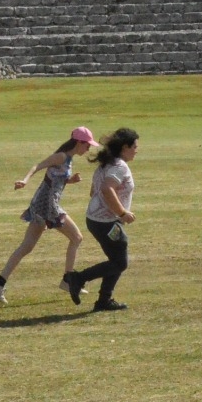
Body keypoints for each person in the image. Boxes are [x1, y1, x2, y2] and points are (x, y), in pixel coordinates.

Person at [0, 126, 98, 305]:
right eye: (87, 145)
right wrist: (25, 180)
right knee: (77, 238)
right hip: (48, 206)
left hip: (42, 204)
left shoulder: (68, 159)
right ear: (79, 142)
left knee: (27, 246)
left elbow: (55, 179)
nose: (89, 149)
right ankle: (67, 281)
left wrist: (70, 180)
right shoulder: (61, 156)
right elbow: (38, 166)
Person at [66, 127, 138, 312]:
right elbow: (107, 189)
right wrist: (122, 213)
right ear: (124, 147)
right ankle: (79, 278)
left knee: (115, 260)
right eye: (134, 146)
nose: (137, 150)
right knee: (120, 262)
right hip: (106, 223)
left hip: (95, 220)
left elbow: (93, 191)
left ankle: (104, 301)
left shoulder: (107, 162)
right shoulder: (119, 166)